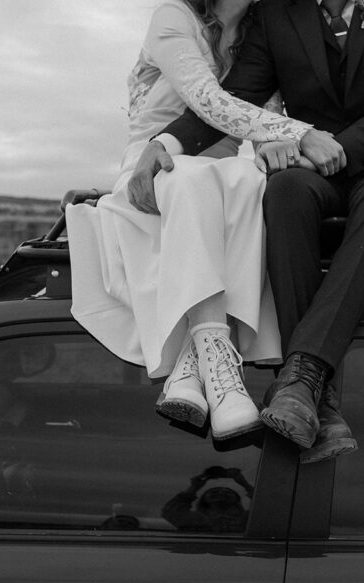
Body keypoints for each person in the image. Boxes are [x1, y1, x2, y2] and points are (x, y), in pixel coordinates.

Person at [129, 0, 364, 463]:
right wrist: (165, 143)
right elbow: (240, 93)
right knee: (285, 191)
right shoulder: (278, 11)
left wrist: (333, 148)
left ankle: (303, 378)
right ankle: (316, 400)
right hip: (310, 175)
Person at [66, 0, 320, 443]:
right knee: (189, 180)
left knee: (250, 181)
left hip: (219, 172)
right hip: (157, 162)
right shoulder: (173, 18)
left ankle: (191, 367)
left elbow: (270, 110)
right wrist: (298, 133)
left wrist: (268, 145)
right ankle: (223, 375)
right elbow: (209, 101)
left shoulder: (264, 31)